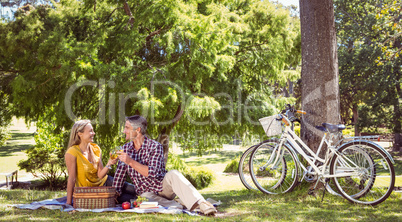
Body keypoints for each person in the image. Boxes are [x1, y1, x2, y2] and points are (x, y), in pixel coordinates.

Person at [113, 115, 217, 215]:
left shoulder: (155, 146)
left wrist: (130, 161)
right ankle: (180, 204)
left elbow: (152, 173)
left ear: (138, 130)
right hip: (147, 194)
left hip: (162, 187)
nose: (124, 131)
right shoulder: (125, 149)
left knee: (173, 174)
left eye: (127, 128)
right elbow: (120, 175)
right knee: (144, 198)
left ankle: (203, 205)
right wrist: (114, 193)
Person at [65, 120, 136, 205]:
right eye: (90, 131)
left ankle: (154, 194)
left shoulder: (96, 149)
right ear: (80, 134)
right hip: (94, 192)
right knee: (132, 198)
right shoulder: (72, 152)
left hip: (106, 181)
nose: (94, 133)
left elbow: (100, 175)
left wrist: (109, 163)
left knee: (135, 190)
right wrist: (68, 203)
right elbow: (72, 179)